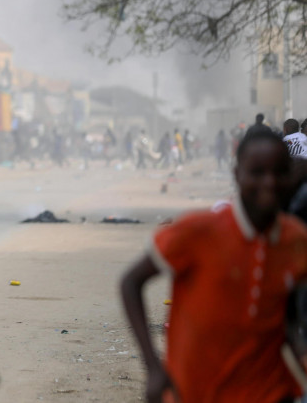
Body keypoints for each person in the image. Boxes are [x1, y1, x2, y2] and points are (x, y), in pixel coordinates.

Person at [119, 128, 307, 403]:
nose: (269, 182)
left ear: (291, 175)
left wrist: (299, 350)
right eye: (257, 172)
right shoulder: (199, 231)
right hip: (195, 390)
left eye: (279, 172)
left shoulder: (296, 239)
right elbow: (131, 282)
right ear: (237, 174)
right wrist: (153, 367)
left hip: (268, 391)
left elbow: (286, 308)